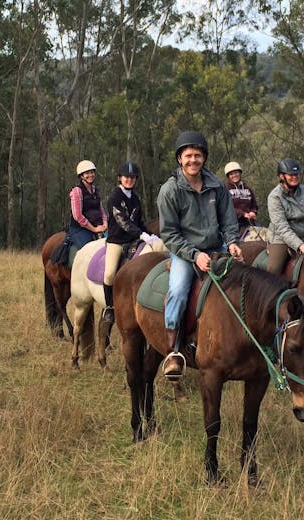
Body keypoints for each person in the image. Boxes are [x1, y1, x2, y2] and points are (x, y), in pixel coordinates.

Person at [157, 131, 242, 380]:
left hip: (218, 248)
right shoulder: (169, 191)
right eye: (188, 156)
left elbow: (228, 221)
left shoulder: (217, 185)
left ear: (204, 158)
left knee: (244, 282)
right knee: (179, 290)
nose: (193, 160)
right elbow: (170, 234)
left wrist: (233, 243)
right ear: (179, 159)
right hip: (185, 252)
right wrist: (195, 255)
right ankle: (173, 351)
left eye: (197, 155)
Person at [102, 161, 159, 324]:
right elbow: (123, 222)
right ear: (120, 178)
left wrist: (150, 235)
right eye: (126, 177)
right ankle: (109, 307)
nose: (129, 180)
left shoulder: (135, 198)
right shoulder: (114, 196)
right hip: (117, 241)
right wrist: (142, 234)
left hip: (133, 240)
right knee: (109, 273)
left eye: (133, 177)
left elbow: (138, 221)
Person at [66, 160, 108, 251]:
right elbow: (78, 216)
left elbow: (102, 212)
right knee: (89, 251)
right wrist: (94, 229)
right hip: (80, 229)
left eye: (92, 172)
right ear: (81, 176)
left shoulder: (95, 190)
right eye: (87, 173)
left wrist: (105, 224)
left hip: (98, 226)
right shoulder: (77, 191)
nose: (90, 175)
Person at [223, 161, 258, 238]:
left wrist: (253, 211)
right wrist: (243, 214)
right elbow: (226, 207)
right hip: (233, 224)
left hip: (249, 222)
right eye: (231, 174)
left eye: (236, 173)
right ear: (228, 176)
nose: (234, 175)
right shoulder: (225, 189)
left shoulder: (247, 188)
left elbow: (254, 204)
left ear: (240, 173)